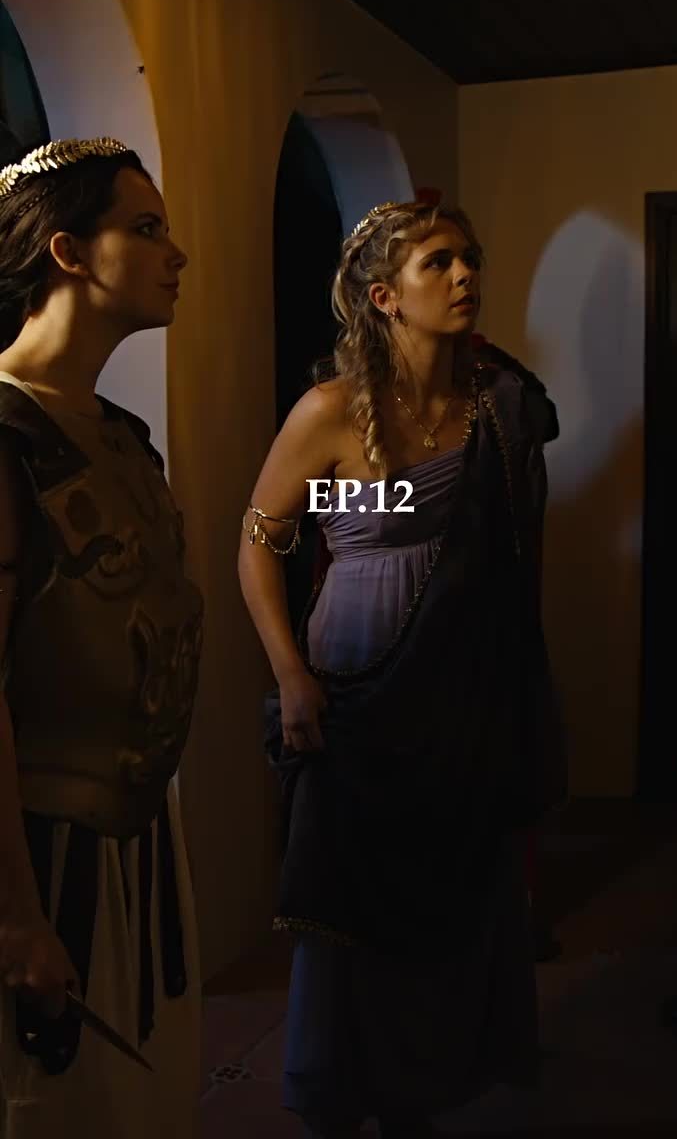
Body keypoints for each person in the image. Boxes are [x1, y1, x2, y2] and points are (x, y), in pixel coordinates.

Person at [238, 199, 565, 1138]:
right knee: (356, 906)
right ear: (385, 297)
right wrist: (291, 676)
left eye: (470, 258)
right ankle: (342, 1099)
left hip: (463, 687)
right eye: (439, 262)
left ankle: (420, 1094)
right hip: (355, 684)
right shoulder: (331, 413)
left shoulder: (495, 407)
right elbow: (259, 541)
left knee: (452, 896)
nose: (465, 275)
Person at [0, 138, 204, 1138]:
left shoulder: (122, 435)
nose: (177, 252)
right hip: (42, 855)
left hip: (137, 838)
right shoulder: (7, 436)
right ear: (70, 252)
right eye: (147, 228)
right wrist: (16, 915)